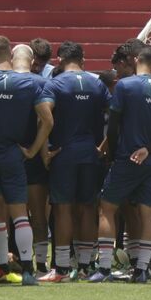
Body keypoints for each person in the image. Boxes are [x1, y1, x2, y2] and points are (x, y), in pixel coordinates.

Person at [0, 38, 54, 286]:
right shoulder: (28, 83)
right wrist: (33, 150)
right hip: (13, 155)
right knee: (20, 215)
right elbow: (47, 121)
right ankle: (28, 272)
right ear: (11, 56)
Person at [89, 44, 151, 284]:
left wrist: (114, 154)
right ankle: (142, 270)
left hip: (127, 158)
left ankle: (104, 268)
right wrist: (149, 150)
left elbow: (114, 127)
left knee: (107, 208)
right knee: (148, 213)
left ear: (137, 60)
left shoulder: (125, 86)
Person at [40, 41, 110, 282]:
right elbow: (117, 115)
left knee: (63, 209)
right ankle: (85, 265)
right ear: (83, 59)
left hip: (64, 153)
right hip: (90, 153)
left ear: (59, 59)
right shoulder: (97, 83)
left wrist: (43, 148)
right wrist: (103, 147)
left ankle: (60, 268)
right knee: (88, 208)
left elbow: (45, 113)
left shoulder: (55, 83)